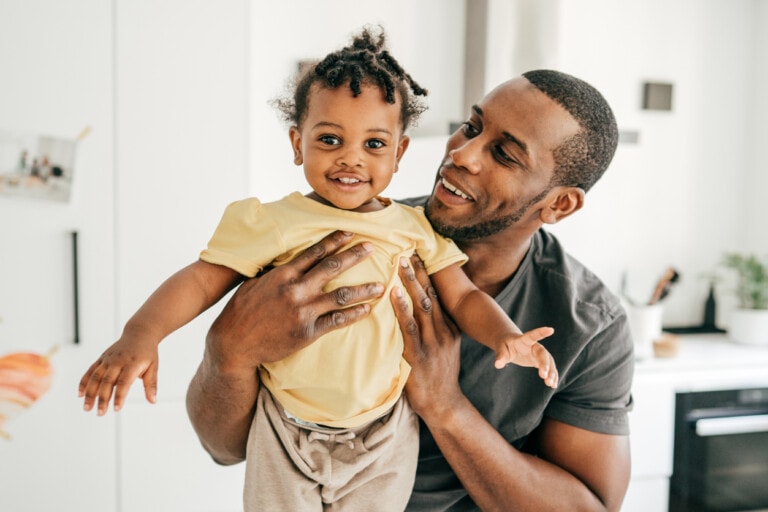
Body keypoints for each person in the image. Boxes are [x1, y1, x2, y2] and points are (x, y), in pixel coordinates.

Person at [78, 28, 558, 511]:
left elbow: (465, 297)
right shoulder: (272, 223)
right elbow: (202, 279)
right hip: (285, 425)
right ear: (297, 143)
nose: (351, 157)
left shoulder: (416, 230)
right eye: (330, 139)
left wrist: (505, 336)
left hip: (384, 432)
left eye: (374, 143)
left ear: (400, 152)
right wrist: (140, 334)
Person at [186, 67, 634, 511]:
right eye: (471, 127)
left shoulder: (592, 325)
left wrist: (446, 406)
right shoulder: (347, 236)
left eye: (505, 154)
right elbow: (224, 449)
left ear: (559, 204)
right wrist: (228, 351)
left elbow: (589, 507)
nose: (462, 154)